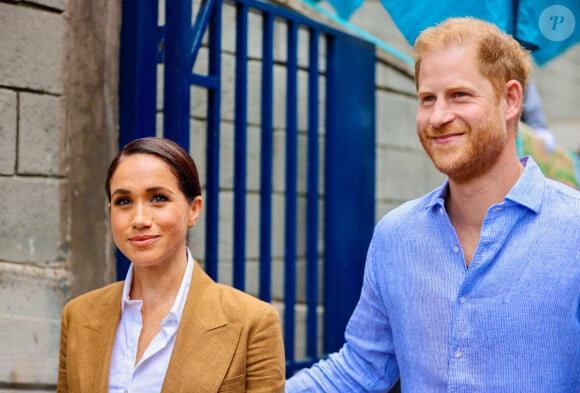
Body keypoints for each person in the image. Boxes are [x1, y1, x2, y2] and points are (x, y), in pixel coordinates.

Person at [286, 17, 580, 392]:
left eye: (459, 95)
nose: (438, 117)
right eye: (428, 99)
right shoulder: (396, 234)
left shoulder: (573, 229)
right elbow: (359, 370)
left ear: (510, 100)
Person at [57, 137, 285, 392]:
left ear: (194, 210)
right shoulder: (78, 315)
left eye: (158, 198)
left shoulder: (252, 322)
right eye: (124, 201)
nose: (140, 219)